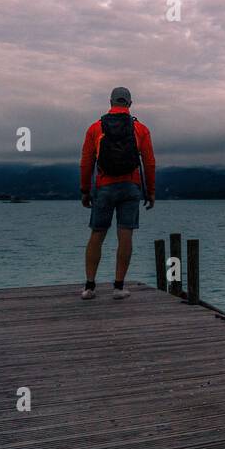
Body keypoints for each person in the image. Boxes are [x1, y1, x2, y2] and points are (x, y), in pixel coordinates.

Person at [79, 86, 156, 300]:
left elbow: (86, 163)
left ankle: (89, 287)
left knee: (97, 234)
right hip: (131, 187)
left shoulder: (95, 128)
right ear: (130, 104)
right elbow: (149, 163)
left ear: (110, 102)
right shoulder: (140, 129)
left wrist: (85, 191)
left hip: (104, 186)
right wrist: (151, 192)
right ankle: (119, 287)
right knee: (125, 234)